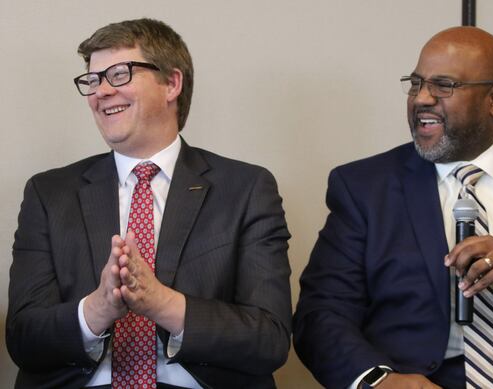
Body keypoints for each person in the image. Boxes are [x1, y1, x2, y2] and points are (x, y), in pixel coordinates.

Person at [293, 26, 493, 389]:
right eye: (416, 83)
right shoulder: (364, 188)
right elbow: (321, 314)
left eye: (443, 85)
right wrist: (377, 380)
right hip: (418, 381)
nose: (422, 98)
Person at [7, 18, 292, 389]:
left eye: (119, 74)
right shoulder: (49, 193)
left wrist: (161, 303)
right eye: (93, 80)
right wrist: (97, 310)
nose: (101, 92)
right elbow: (23, 339)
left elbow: (269, 339)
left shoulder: (246, 189)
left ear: (172, 83)